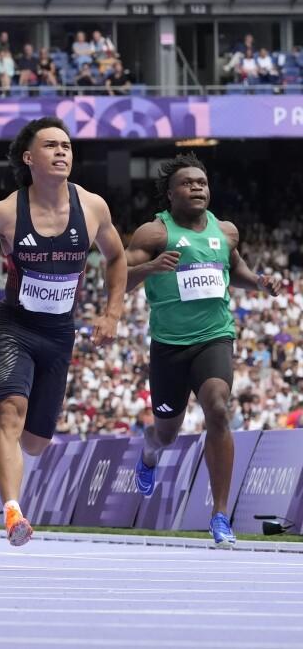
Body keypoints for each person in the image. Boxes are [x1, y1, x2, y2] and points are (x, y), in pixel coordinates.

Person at [0, 117, 126, 546]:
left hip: (60, 333)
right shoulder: (6, 212)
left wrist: (113, 312)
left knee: (37, 443)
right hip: (15, 328)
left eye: (67, 146)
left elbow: (117, 258)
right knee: (9, 416)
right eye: (51, 146)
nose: (62, 152)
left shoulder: (93, 207)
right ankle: (13, 513)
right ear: (29, 158)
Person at [125, 153, 281, 548]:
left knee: (217, 408)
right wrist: (152, 268)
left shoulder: (225, 231)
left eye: (202, 182)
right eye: (188, 182)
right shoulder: (153, 234)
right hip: (169, 347)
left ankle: (220, 515)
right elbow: (119, 279)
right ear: (170, 193)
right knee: (166, 433)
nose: (197, 186)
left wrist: (259, 282)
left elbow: (236, 270)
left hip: (214, 337)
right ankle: (148, 453)